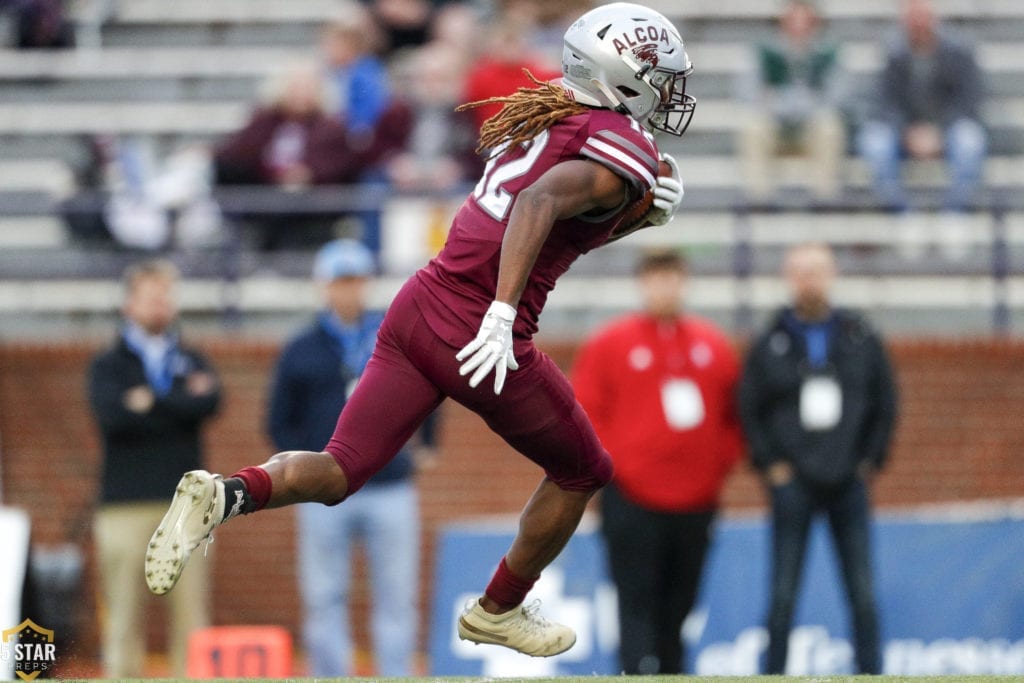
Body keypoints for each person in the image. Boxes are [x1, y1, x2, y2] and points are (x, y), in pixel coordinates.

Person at [144, 2, 692, 659]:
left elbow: (556, 225)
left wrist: (631, 217)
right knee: (582, 469)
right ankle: (498, 608)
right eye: (658, 75)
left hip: (420, 301)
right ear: (621, 75)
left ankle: (227, 492)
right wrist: (501, 310)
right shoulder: (618, 146)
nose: (666, 91)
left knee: (341, 468)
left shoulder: (551, 111)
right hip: (478, 325)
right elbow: (538, 202)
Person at [267, 239, 437, 677]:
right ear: (325, 286)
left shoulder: (392, 337)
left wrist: (426, 446)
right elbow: (278, 420)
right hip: (323, 493)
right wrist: (303, 468)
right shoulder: (301, 348)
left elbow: (433, 384)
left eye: (356, 281)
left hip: (390, 485)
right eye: (340, 282)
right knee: (324, 594)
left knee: (397, 593)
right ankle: (330, 676)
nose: (348, 291)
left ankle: (395, 674)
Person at [571, 250, 743, 674]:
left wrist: (716, 468)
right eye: (657, 278)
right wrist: (618, 469)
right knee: (634, 605)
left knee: (680, 607)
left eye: (673, 278)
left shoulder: (713, 345)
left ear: (685, 283)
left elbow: (734, 417)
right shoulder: (611, 344)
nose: (665, 288)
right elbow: (584, 413)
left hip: (696, 501)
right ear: (642, 284)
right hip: (631, 500)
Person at [737, 242, 898, 675]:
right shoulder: (771, 338)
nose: (810, 280)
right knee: (783, 591)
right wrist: (772, 465)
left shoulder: (858, 334)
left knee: (862, 590)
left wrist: (870, 460)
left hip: (849, 480)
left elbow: (885, 400)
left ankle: (870, 671)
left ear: (832, 274)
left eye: (817, 271)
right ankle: (774, 671)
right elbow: (749, 407)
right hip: (793, 482)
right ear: (789, 278)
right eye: (801, 271)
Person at [88, 259, 221, 677]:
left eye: (166, 295)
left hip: (186, 506)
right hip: (124, 504)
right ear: (129, 304)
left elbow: (211, 403)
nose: (160, 305)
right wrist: (179, 402)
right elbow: (112, 417)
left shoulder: (191, 357)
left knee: (191, 619)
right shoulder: (108, 364)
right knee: (123, 617)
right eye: (150, 296)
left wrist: (150, 402)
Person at [856, 0, 986, 214]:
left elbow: (968, 100)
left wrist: (939, 132)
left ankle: (954, 214)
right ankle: (902, 214)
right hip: (904, 132)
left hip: (948, 129)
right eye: (912, 18)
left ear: (934, 19)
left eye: (922, 17)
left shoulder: (959, 51)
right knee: (874, 143)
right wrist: (907, 133)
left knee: (970, 141)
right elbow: (884, 102)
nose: (918, 24)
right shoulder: (893, 54)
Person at [213, 63, 359, 250]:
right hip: (265, 190)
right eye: (295, 88)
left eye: (307, 89)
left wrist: (308, 174)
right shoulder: (264, 120)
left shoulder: (331, 127)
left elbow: (342, 163)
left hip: (313, 197)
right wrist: (276, 173)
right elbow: (241, 151)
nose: (300, 95)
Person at [737, 0, 846, 203]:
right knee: (753, 127)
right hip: (775, 126)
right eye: (793, 18)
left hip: (809, 128)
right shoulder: (765, 52)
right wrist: (779, 106)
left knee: (829, 126)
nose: (798, 24)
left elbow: (837, 96)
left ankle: (824, 199)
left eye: (804, 18)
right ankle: (759, 199)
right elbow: (747, 91)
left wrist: (801, 105)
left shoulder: (827, 53)